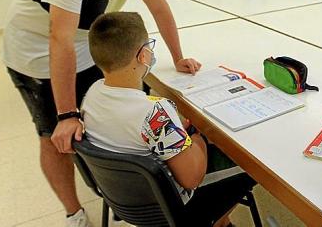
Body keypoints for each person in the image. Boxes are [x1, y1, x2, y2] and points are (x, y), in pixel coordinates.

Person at [2, 0, 202, 227]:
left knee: (105, 115)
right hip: (37, 54)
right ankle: (73, 211)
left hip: (85, 47)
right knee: (55, 137)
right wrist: (66, 114)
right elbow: (59, 38)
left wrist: (178, 57)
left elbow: (161, 10)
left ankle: (117, 186)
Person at [82, 12, 255, 227]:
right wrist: (198, 136)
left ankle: (221, 220)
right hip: (171, 207)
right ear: (143, 55)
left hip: (124, 197)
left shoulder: (91, 95)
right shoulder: (154, 112)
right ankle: (218, 222)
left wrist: (175, 133)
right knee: (251, 163)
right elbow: (192, 178)